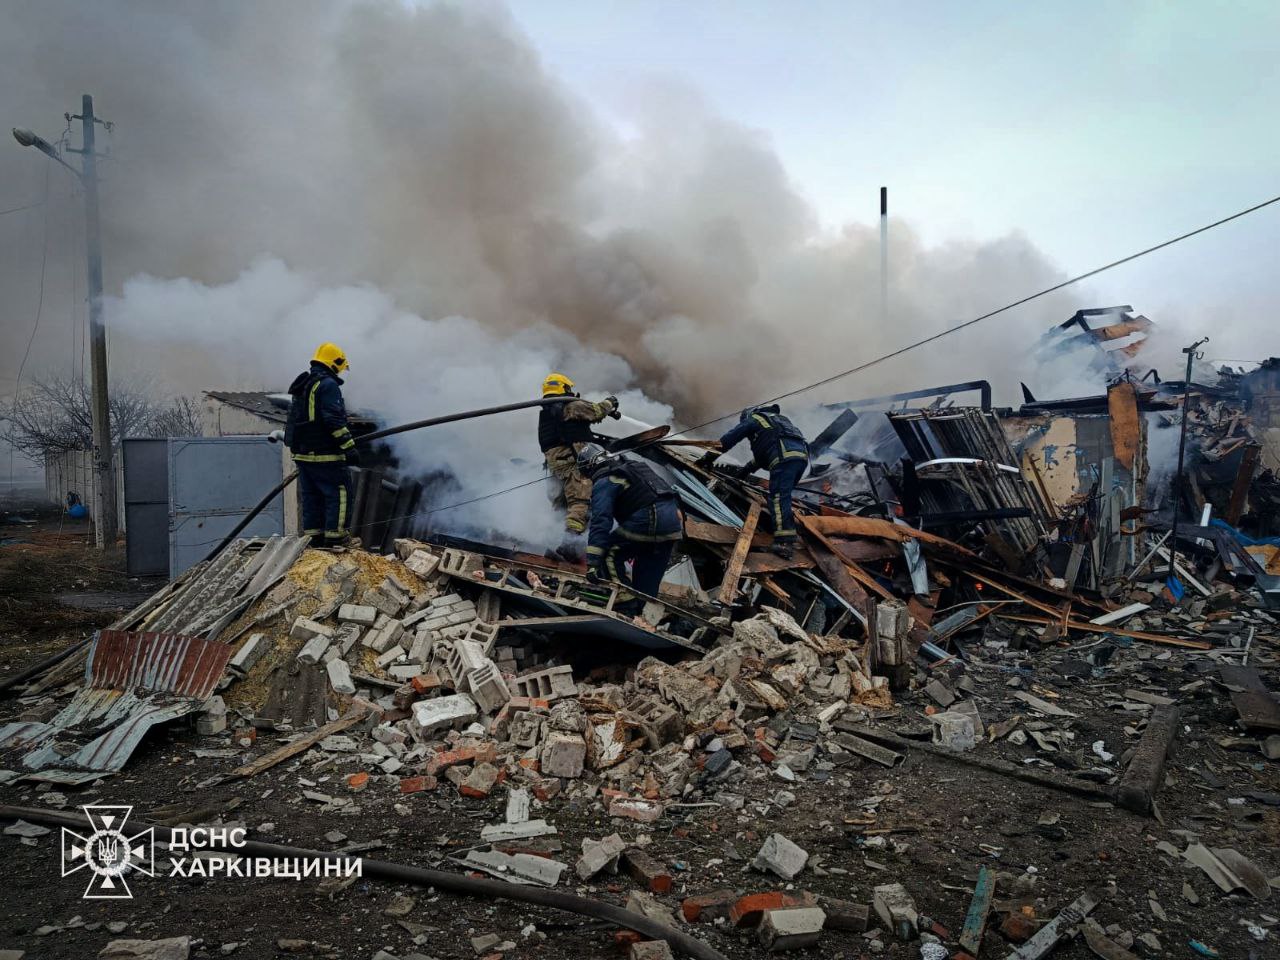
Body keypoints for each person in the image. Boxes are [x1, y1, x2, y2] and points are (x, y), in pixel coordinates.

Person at [580, 444, 682, 613]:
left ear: (589, 468)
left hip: (650, 519)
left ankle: (625, 606)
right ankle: (641, 613)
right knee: (646, 572)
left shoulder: (605, 480)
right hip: (672, 525)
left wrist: (592, 562)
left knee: (608, 554)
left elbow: (601, 521)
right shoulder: (634, 468)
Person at [285, 342, 359, 548]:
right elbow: (333, 420)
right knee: (339, 493)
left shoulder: (304, 384)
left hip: (303, 454)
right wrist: (349, 447)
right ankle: (337, 538)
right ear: (334, 363)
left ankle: (314, 539)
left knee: (312, 497)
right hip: (326, 454)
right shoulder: (328, 385)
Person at [713, 404, 809, 558]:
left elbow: (728, 440)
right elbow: (761, 458)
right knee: (783, 498)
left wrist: (708, 457)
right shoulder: (778, 422)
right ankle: (782, 531)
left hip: (784, 459)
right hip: (801, 460)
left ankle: (784, 543)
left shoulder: (754, 419)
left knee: (777, 498)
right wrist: (742, 474)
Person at [538, 372, 620, 536]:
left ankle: (553, 536)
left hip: (555, 464)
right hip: (571, 460)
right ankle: (570, 541)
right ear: (564, 387)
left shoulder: (547, 412)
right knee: (580, 499)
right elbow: (596, 411)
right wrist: (610, 402)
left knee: (561, 503)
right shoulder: (571, 406)